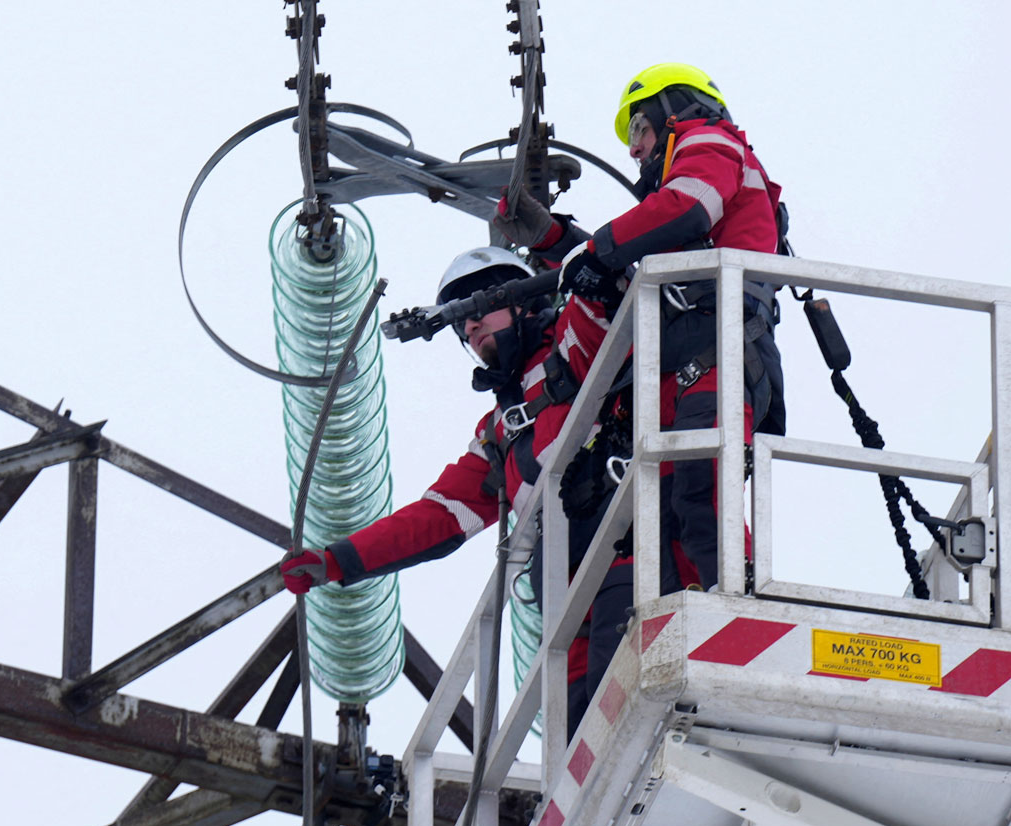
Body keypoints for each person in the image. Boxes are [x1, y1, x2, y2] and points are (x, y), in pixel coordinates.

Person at [533, 63, 789, 697]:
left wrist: (595, 252)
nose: (635, 148)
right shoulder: (679, 188)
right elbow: (648, 242)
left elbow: (687, 207)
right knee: (673, 509)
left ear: (676, 111)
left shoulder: (709, 141)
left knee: (700, 487)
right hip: (690, 360)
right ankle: (698, 627)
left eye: (640, 129)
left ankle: (741, 615)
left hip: (719, 346)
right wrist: (568, 249)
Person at [279, 246, 617, 725]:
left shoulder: (576, 346)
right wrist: (335, 561)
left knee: (622, 698)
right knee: (579, 740)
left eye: (479, 307)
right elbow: (438, 518)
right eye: (461, 322)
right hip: (572, 594)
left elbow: (608, 276)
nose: (470, 326)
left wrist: (552, 239)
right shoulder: (502, 431)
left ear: (524, 300)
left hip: (633, 554)